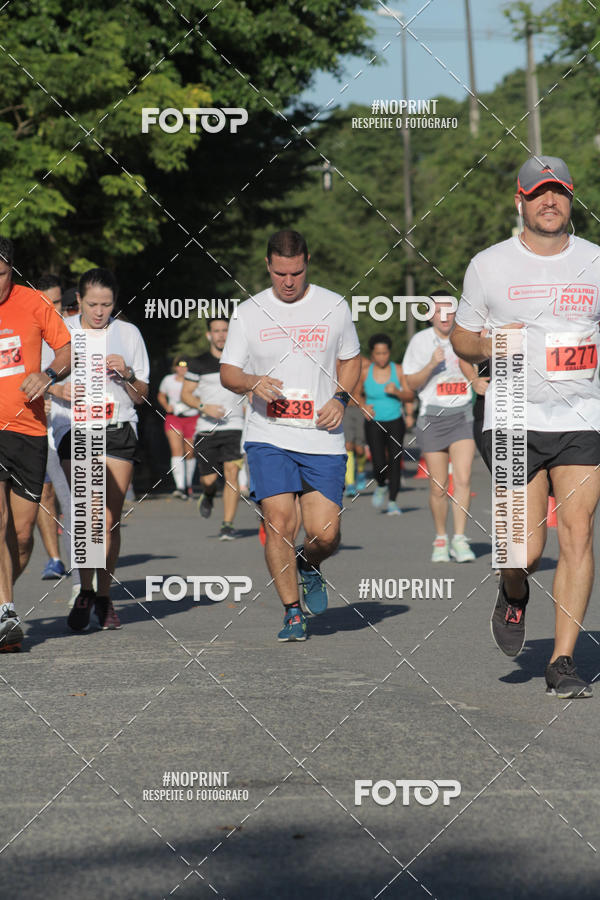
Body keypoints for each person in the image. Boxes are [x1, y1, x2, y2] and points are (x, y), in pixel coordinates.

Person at [452, 155, 600, 699]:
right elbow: (462, 338)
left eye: (559, 192)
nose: (550, 202)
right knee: (522, 552)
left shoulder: (595, 261)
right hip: (513, 417)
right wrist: (490, 344)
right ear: (521, 200)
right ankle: (514, 593)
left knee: (579, 531)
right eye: (539, 193)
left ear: (570, 198)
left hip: (582, 416)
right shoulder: (489, 265)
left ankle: (562, 660)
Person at [220, 229, 361, 641]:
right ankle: (292, 612)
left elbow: (351, 360)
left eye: (296, 273)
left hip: (321, 436)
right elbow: (228, 372)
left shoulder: (334, 305)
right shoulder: (248, 312)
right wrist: (251, 381)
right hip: (269, 434)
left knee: (325, 534)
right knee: (279, 521)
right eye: (280, 273)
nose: (287, 281)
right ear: (268, 266)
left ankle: (310, 563)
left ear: (307, 263)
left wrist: (340, 397)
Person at [52, 268, 150, 632]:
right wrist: (56, 390)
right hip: (74, 427)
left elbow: (142, 396)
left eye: (106, 305)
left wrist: (126, 375)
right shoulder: (62, 330)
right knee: (89, 516)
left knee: (109, 520)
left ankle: (103, 595)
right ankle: (85, 590)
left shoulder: (128, 334)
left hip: (118, 427)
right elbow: (38, 376)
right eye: (92, 304)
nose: (99, 311)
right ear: (78, 300)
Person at [0, 237, 71, 652]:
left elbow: (65, 350)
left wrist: (48, 375)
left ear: (12, 269)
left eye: (2, 275)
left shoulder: (32, 303)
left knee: (23, 535)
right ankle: (6, 611)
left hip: (27, 429)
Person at [403, 293, 480, 563]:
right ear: (429, 314)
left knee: (463, 479)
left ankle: (459, 538)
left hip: (462, 415)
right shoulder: (420, 341)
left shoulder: (465, 338)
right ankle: (440, 538)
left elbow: (480, 368)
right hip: (432, 418)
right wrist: (431, 364)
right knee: (438, 486)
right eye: (439, 312)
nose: (445, 317)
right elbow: (410, 383)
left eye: (450, 311)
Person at [181, 318, 245, 540]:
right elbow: (185, 394)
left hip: (235, 426)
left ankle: (227, 524)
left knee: (232, 474)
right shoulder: (198, 363)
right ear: (209, 335)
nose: (221, 335)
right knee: (208, 481)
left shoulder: (241, 361)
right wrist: (203, 407)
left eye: (225, 330)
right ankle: (208, 495)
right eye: (216, 331)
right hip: (206, 428)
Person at [361, 333, 415, 514]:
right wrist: (363, 406)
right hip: (374, 422)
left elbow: (410, 395)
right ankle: (382, 484)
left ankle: (392, 501)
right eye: (378, 353)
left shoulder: (398, 370)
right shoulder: (364, 372)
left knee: (395, 460)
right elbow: (354, 394)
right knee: (378, 462)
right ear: (372, 354)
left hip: (395, 421)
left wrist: (398, 394)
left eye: (385, 353)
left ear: (389, 353)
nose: (382, 357)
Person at [157, 355, 198, 499]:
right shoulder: (168, 380)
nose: (182, 368)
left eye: (185, 365)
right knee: (176, 450)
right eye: (179, 365)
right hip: (174, 418)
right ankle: (179, 486)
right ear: (175, 367)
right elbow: (161, 395)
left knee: (190, 452)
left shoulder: (195, 380)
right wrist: (166, 406)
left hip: (192, 418)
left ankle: (188, 485)